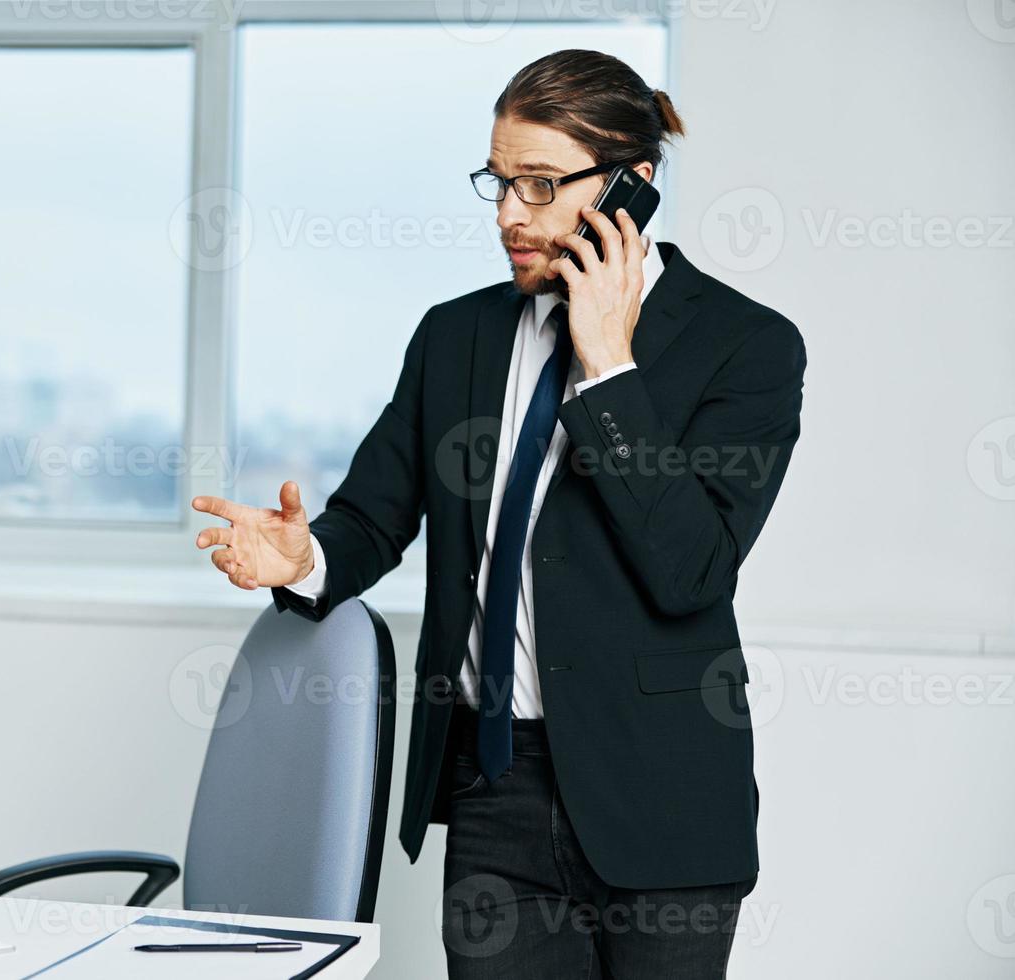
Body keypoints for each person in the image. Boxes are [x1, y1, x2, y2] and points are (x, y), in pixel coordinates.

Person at [193, 48, 805, 978]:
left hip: (661, 804)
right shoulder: (457, 335)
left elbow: (692, 572)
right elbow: (370, 521)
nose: (509, 214)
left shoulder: (746, 346)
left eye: (541, 184)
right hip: (495, 792)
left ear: (632, 186)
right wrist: (302, 562)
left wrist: (610, 366)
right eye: (498, 181)